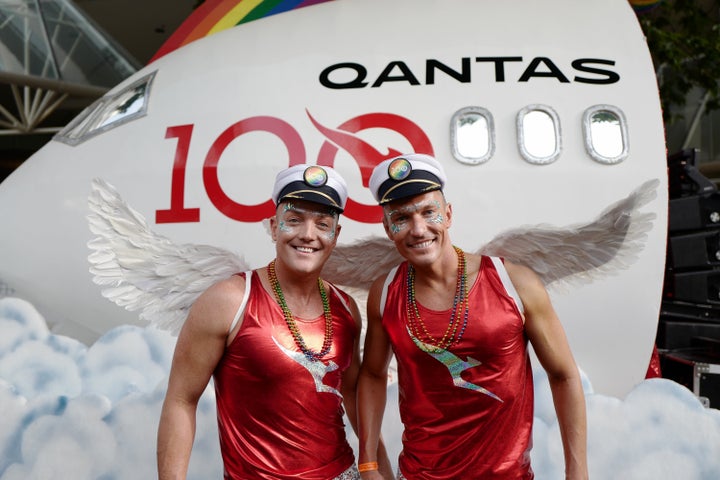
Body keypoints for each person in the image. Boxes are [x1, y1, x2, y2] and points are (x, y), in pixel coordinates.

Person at [356, 154, 588, 479]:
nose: (418, 229)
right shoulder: (386, 293)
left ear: (448, 215)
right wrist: (368, 461)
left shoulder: (513, 282)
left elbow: (564, 375)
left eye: (428, 212)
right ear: (387, 228)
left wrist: (577, 472)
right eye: (402, 218)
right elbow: (372, 375)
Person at [157, 164, 393, 479]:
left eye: (322, 224)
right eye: (294, 220)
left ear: (335, 235)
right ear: (273, 227)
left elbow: (354, 399)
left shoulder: (346, 308)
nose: (308, 234)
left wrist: (378, 471)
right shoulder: (229, 300)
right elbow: (181, 400)